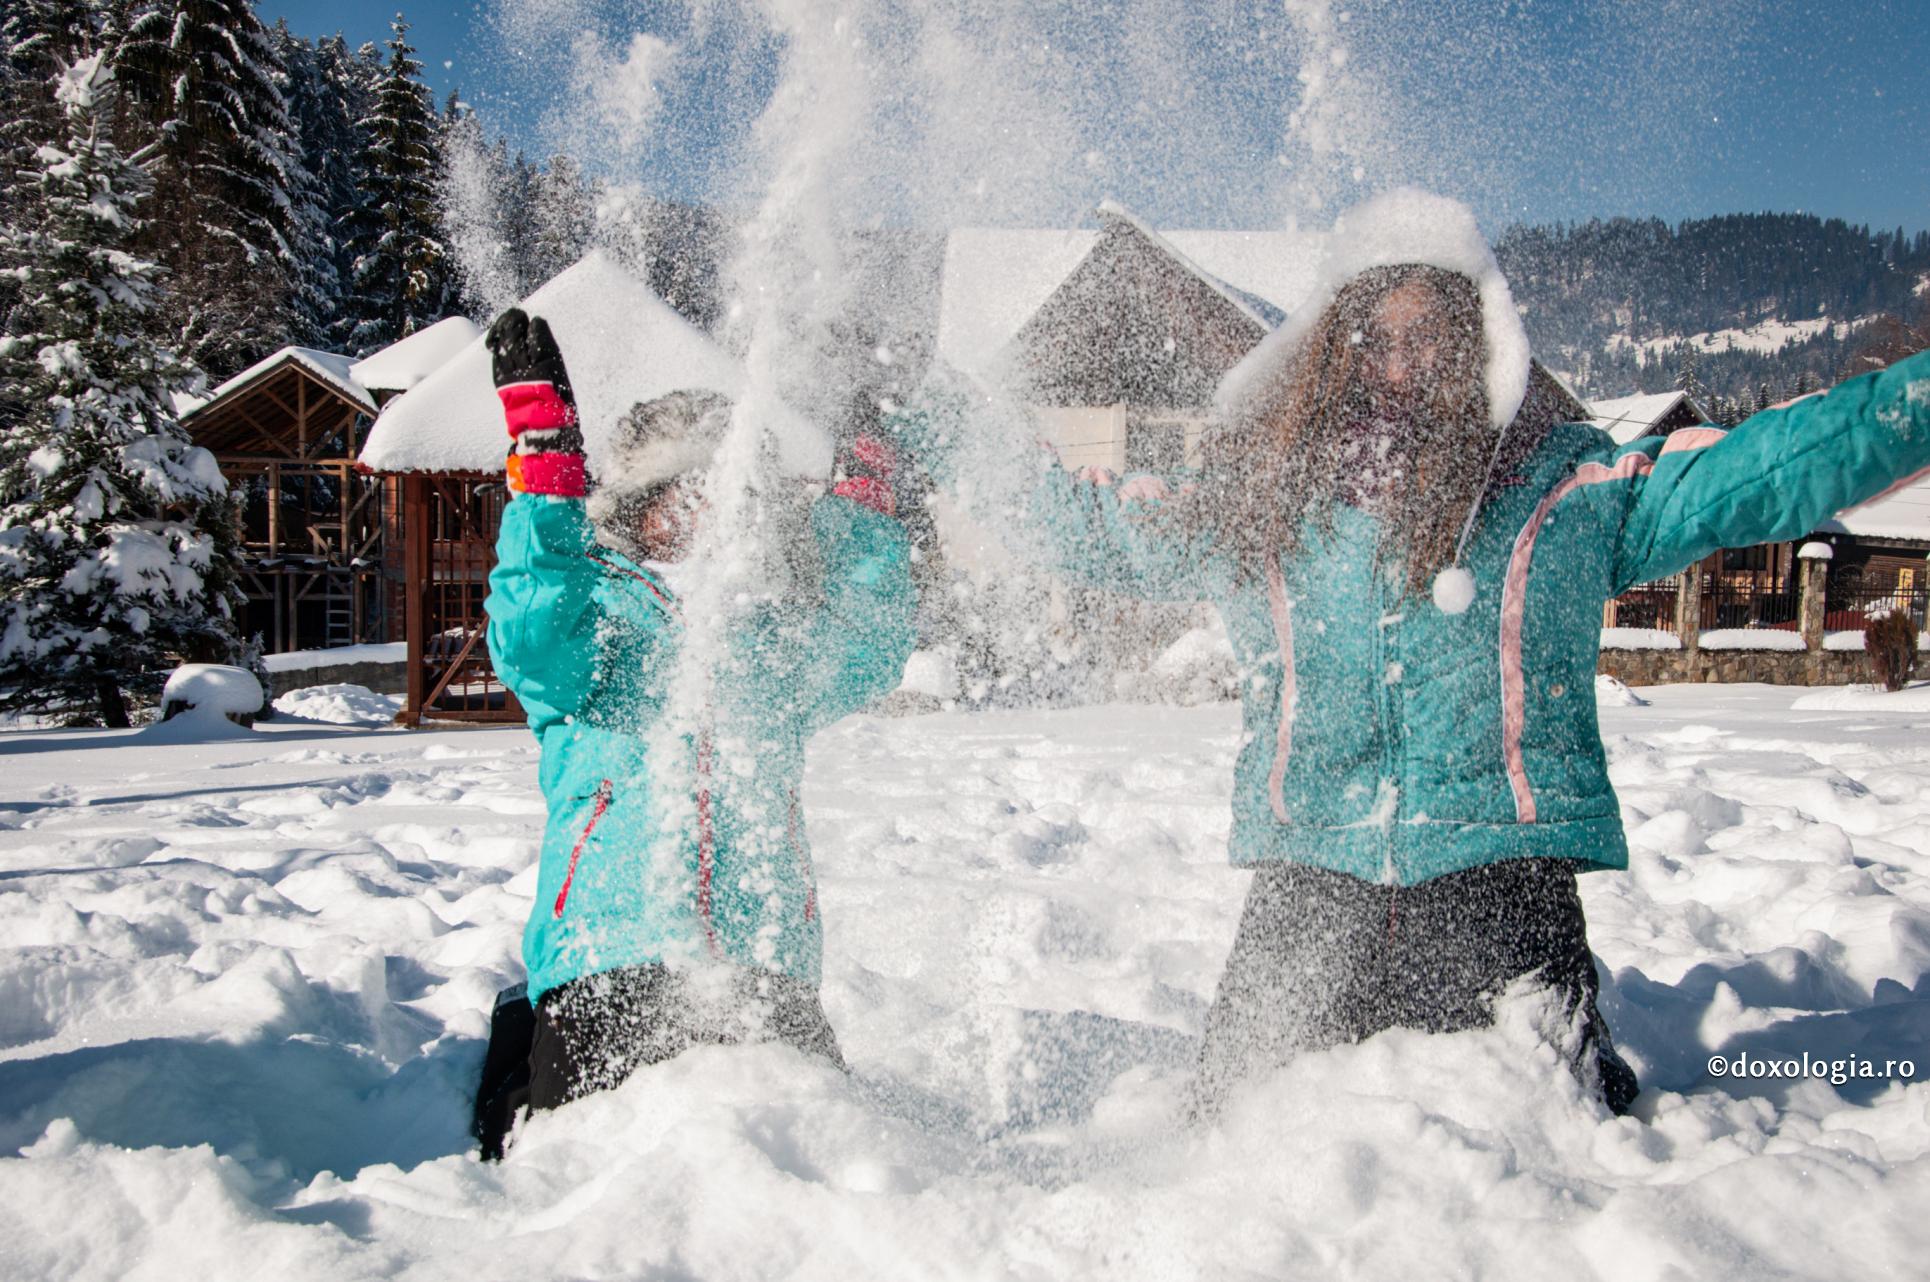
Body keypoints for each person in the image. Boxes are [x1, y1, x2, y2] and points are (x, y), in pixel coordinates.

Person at [892, 188, 1930, 1119]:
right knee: (1230, 1158)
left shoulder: (1562, 497)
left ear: (1478, 348)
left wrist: (1912, 403)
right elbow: (1073, 519)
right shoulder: (1259, 510)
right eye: (1374, 342)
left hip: (1502, 898)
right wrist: (920, 405)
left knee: (1542, 1163)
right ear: (1330, 353)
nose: (1401, 367)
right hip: (1309, 895)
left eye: (1430, 339)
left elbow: (1769, 468)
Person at [473, 308, 916, 1156]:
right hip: (613, 956)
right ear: (645, 506)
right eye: (697, 487)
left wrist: (860, 501)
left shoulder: (770, 638)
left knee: (816, 1185)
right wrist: (547, 479)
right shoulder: (590, 615)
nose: (723, 508)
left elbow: (872, 642)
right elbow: (525, 638)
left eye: (738, 488)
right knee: (601, 1190)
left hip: (765, 961)